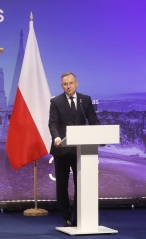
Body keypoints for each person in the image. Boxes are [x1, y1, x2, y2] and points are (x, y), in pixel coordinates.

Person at [48, 72, 100, 227]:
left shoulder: (86, 100)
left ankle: (79, 215)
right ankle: (67, 217)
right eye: (65, 84)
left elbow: (93, 121)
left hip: (81, 150)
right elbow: (53, 123)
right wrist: (56, 137)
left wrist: (99, 135)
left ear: (76, 83)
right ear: (61, 85)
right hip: (62, 150)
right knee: (62, 185)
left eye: (71, 83)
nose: (68, 86)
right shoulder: (56, 101)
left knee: (81, 185)